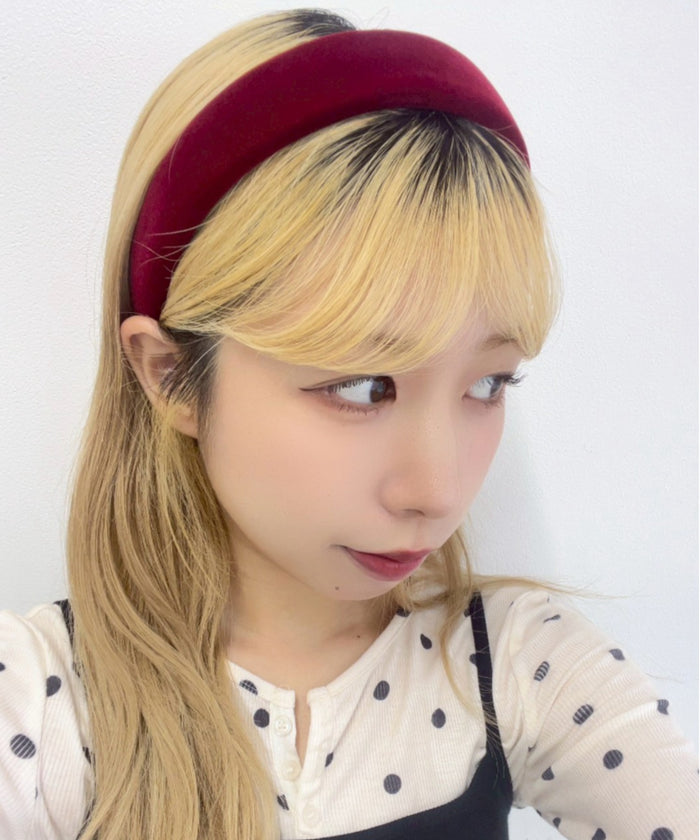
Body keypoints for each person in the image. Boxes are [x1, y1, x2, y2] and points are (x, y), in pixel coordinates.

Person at [0, 8, 695, 840]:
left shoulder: (520, 668)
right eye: (363, 387)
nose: (437, 492)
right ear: (171, 375)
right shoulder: (39, 705)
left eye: (488, 383)